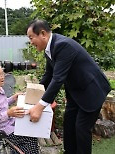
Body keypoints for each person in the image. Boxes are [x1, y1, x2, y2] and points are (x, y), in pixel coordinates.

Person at [26, 19, 111, 154]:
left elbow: (58, 79)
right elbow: (49, 75)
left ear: (43, 33)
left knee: (81, 129)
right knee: (69, 126)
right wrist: (31, 92)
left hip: (91, 91)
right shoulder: (50, 48)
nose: (30, 42)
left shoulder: (62, 45)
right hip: (76, 93)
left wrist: (39, 106)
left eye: (31, 37)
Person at [0, 62, 39, 154]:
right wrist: (8, 113)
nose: (3, 77)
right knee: (29, 136)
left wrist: (13, 98)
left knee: (29, 124)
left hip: (6, 124)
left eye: (2, 73)